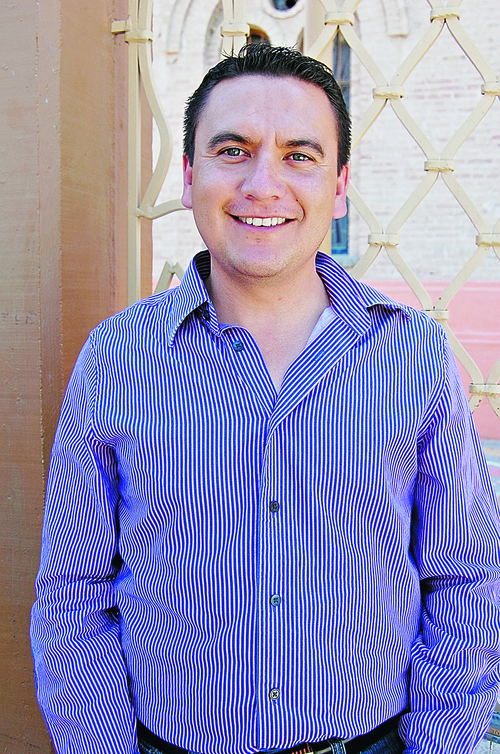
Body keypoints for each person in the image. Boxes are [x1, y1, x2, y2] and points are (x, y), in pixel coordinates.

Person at [31, 44, 500, 754]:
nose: (263, 184)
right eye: (233, 151)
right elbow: (72, 596)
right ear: (190, 176)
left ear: (338, 187)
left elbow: (467, 579)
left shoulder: (413, 356)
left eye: (298, 156)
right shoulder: (115, 359)